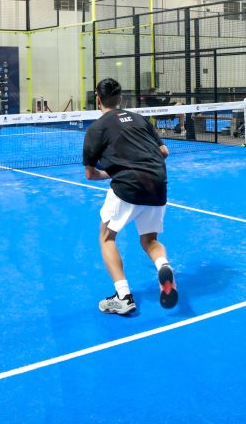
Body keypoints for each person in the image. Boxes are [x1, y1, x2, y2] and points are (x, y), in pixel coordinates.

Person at [83, 78, 177, 315]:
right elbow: (164, 151)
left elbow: (90, 174)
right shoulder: (140, 119)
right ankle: (163, 265)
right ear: (121, 99)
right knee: (150, 240)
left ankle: (123, 297)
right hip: (158, 182)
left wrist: (115, 171)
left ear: (98, 100)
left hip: (128, 185)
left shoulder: (96, 129)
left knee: (106, 237)